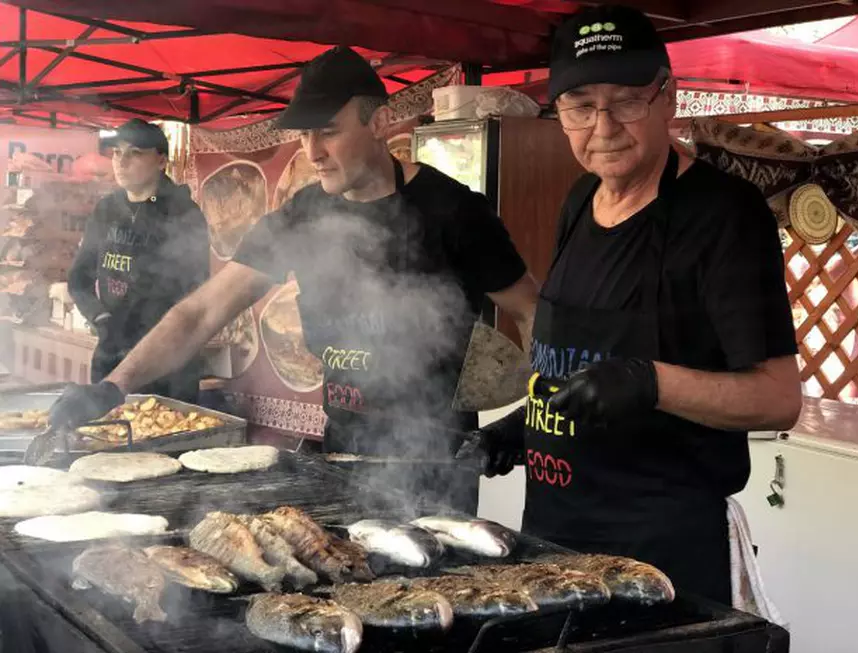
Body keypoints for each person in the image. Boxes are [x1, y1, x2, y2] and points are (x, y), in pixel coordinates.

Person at [51, 47, 538, 513]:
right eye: (304, 136)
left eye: (327, 132)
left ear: (379, 122)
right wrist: (112, 388)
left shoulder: (454, 212)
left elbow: (530, 311)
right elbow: (201, 312)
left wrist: (530, 418)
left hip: (439, 463)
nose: (313, 152)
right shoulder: (303, 215)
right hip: (342, 453)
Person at [475, 5, 801, 604]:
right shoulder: (580, 199)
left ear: (668, 97)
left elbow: (779, 397)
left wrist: (650, 382)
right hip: (553, 543)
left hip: (658, 562)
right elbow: (580, 365)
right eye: (580, 105)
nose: (603, 126)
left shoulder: (723, 216)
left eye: (627, 99)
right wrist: (527, 426)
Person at [68, 119, 209, 403]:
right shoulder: (106, 209)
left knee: (165, 437)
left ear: (160, 160)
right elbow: (79, 278)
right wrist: (100, 317)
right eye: (117, 153)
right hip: (111, 353)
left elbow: (197, 292)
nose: (121, 162)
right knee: (107, 436)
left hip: (168, 362)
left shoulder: (183, 214)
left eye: (134, 153)